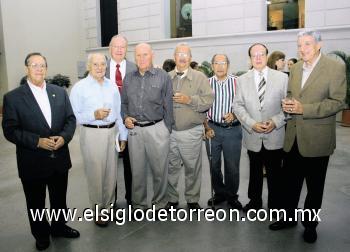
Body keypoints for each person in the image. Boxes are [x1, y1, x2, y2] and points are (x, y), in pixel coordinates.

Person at [269, 29, 346, 243]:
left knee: (314, 187)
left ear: (319, 45)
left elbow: (338, 102)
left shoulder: (335, 68)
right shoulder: (294, 69)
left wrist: (304, 109)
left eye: (307, 44)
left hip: (317, 139)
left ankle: (310, 225)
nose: (302, 49)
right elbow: (293, 95)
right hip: (293, 137)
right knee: (290, 184)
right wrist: (288, 102)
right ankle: (288, 218)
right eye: (299, 45)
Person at [2, 52, 79, 250]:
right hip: (32, 160)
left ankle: (59, 227)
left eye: (42, 65)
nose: (39, 69)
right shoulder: (13, 98)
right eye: (34, 65)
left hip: (59, 157)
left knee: (59, 199)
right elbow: (10, 130)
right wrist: (37, 142)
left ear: (46, 68)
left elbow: (70, 119)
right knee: (36, 202)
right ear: (26, 68)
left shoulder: (59, 92)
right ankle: (41, 234)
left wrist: (64, 137)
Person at [70, 53, 127, 227]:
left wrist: (123, 136)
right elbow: (73, 116)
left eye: (103, 64)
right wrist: (93, 115)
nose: (100, 67)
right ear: (89, 66)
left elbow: (118, 113)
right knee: (96, 174)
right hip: (92, 133)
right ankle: (97, 210)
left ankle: (108, 208)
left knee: (110, 174)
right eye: (96, 64)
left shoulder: (111, 86)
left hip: (112, 134)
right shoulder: (80, 88)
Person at [232, 43, 288, 213]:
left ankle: (276, 204)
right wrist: (251, 124)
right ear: (250, 58)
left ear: (266, 56)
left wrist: (275, 122)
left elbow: (288, 107)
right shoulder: (242, 80)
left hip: (275, 134)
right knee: (255, 172)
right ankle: (254, 201)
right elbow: (238, 106)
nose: (257, 58)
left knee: (275, 173)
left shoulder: (282, 78)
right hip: (252, 135)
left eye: (261, 54)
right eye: (254, 55)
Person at [121, 43, 173, 213]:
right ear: (134, 57)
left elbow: (168, 104)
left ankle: (160, 203)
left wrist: (166, 129)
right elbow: (124, 103)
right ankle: (139, 205)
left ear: (152, 55)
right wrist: (125, 117)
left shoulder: (163, 76)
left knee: (159, 171)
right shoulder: (128, 78)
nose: (141, 58)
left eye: (145, 55)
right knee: (137, 171)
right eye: (138, 55)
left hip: (157, 128)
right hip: (135, 130)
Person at [166, 43, 214, 210]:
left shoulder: (200, 77)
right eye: (179, 53)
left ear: (190, 58)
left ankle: (192, 199)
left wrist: (190, 100)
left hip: (191, 131)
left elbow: (208, 101)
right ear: (174, 57)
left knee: (192, 168)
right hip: (170, 133)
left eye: (186, 54)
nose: (182, 57)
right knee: (171, 168)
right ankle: (172, 199)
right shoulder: (166, 77)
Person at [204, 54, 243, 209]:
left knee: (232, 166)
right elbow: (201, 108)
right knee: (214, 165)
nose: (220, 66)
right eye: (216, 63)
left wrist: (234, 115)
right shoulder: (206, 84)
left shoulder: (237, 83)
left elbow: (245, 105)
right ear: (212, 66)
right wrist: (206, 127)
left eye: (223, 63)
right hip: (212, 129)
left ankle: (232, 196)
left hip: (233, 130)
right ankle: (220, 193)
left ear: (228, 65)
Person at [106, 34, 137, 207]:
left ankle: (132, 199)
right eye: (115, 46)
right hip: (108, 125)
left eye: (122, 47)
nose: (119, 50)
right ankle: (110, 200)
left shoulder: (135, 68)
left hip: (130, 123)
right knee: (109, 166)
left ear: (127, 49)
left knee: (131, 164)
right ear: (110, 48)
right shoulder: (101, 68)